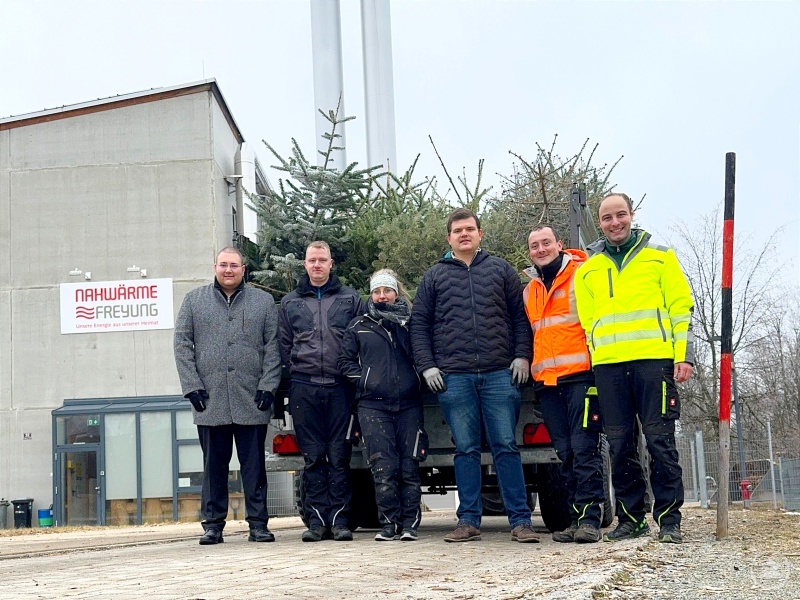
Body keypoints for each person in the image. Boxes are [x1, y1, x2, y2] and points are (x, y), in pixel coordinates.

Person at [410, 208, 539, 543]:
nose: (464, 234)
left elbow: (520, 318)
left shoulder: (501, 270)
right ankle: (467, 521)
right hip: (454, 377)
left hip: (499, 374)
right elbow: (419, 325)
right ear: (449, 238)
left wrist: (522, 356)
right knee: (465, 449)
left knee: (506, 446)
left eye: (469, 229)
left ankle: (521, 522)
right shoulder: (434, 277)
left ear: (480, 234)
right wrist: (427, 365)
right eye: (458, 231)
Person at [574, 193, 694, 544]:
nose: (615, 223)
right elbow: (587, 323)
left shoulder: (660, 257)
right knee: (619, 445)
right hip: (609, 369)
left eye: (620, 215)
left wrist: (683, 355)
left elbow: (680, 308)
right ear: (600, 222)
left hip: (654, 363)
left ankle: (669, 520)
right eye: (607, 218)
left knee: (659, 441)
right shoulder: (588, 270)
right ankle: (631, 518)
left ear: (632, 215)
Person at [174, 247, 281, 545]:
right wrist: (192, 387)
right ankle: (213, 526)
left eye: (234, 265)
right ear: (215, 267)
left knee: (254, 467)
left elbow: (273, 347)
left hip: (252, 400)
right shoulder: (193, 301)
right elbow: (181, 345)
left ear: (243, 269)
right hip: (210, 401)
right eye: (223, 265)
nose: (228, 270)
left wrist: (268, 386)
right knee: (213, 467)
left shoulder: (262, 302)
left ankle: (258, 525)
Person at [523, 224, 605, 543]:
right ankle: (575, 519)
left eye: (546, 243)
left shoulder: (581, 275)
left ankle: (590, 520)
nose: (541, 249)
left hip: (581, 376)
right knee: (565, 453)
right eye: (534, 246)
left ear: (559, 244)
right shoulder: (530, 290)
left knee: (585, 449)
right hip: (547, 383)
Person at [279, 240, 365, 542]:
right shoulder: (290, 303)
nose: (317, 265)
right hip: (305, 388)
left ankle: (340, 521)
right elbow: (283, 345)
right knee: (313, 457)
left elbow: (360, 341)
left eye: (322, 260)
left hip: (341, 387)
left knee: (339, 456)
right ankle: (316, 523)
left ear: (331, 264)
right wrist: (291, 379)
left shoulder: (350, 299)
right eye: (312, 260)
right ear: (305, 264)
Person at [338, 269, 426, 542]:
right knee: (383, 467)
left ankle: (410, 525)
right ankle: (388, 525)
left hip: (409, 404)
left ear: (396, 293)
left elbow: (423, 354)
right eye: (376, 291)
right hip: (372, 406)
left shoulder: (410, 323)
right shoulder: (358, 325)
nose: (382, 296)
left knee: (409, 467)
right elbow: (345, 362)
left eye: (387, 290)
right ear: (371, 295)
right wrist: (366, 381)